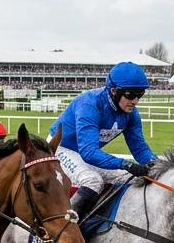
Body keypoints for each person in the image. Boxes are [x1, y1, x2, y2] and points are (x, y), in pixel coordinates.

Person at [48, 61, 157, 217]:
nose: (135, 100)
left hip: (87, 152)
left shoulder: (131, 113)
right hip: (60, 149)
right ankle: (64, 228)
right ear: (114, 91)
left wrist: (156, 165)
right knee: (93, 180)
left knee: (133, 179)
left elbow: (139, 148)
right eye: (130, 94)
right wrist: (125, 163)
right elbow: (89, 152)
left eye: (140, 94)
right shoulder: (90, 105)